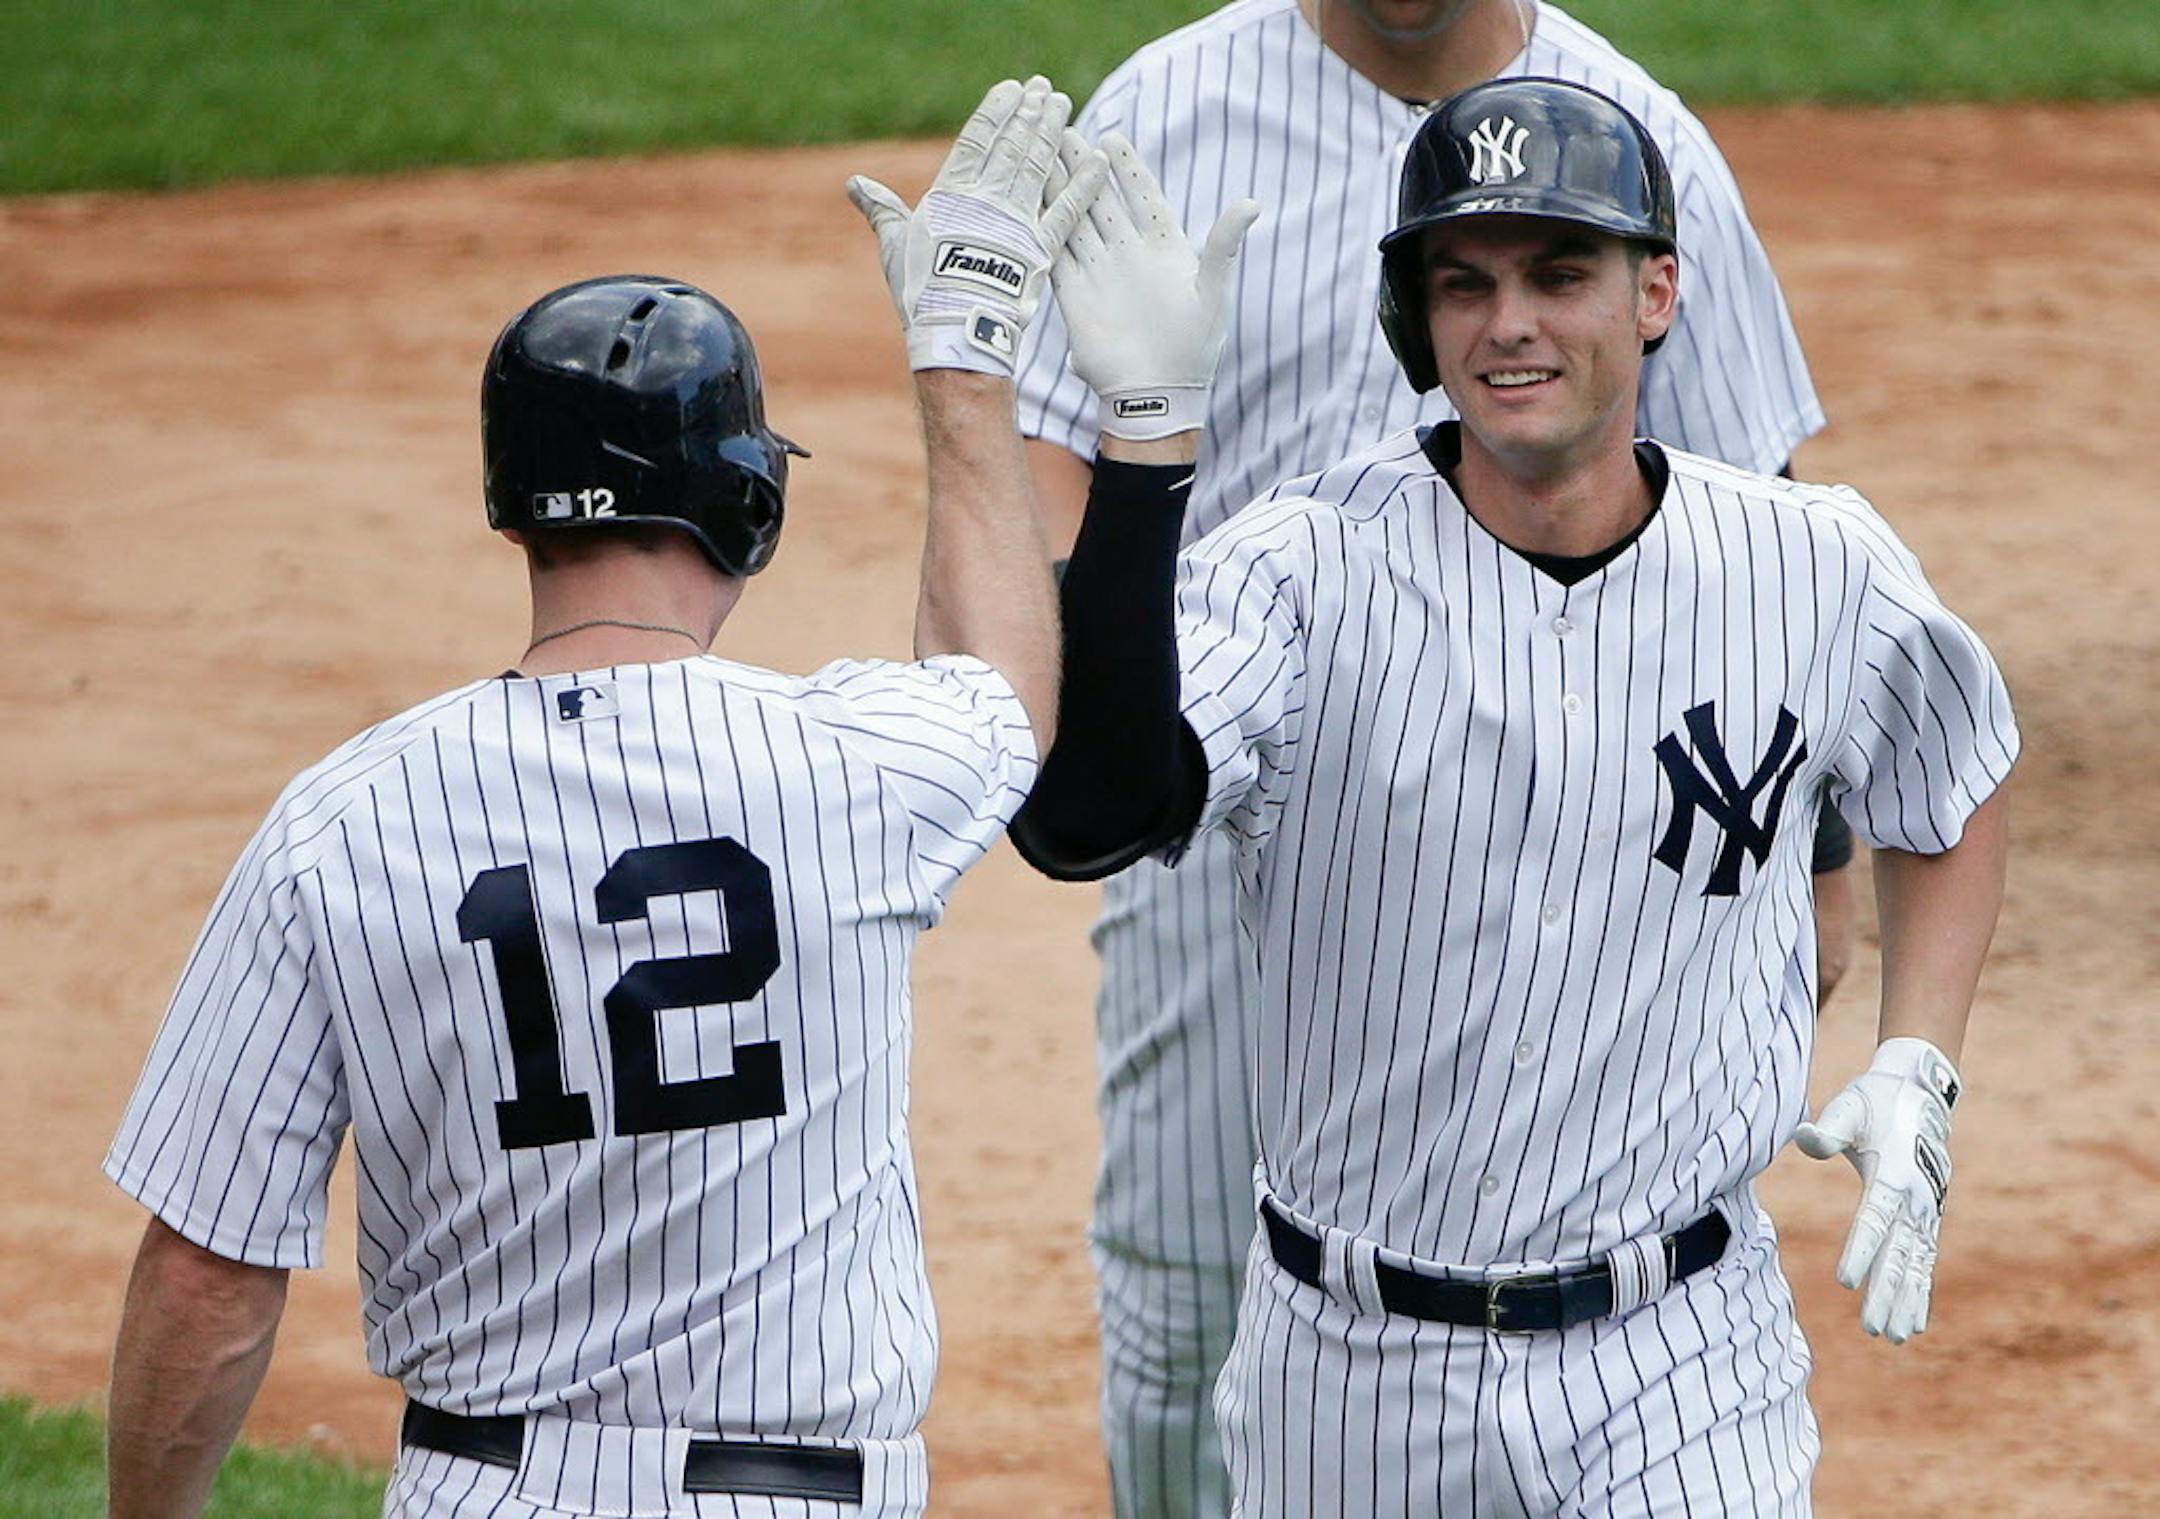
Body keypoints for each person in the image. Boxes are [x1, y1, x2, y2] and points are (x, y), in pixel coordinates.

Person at [101, 76, 1107, 1519]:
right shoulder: (854, 767)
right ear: (747, 502)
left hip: (482, 1490)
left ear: (511, 505)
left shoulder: (339, 823)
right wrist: (965, 360)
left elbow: (207, 1272)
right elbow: (1009, 674)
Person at [1017, 78, 2014, 1516]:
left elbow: (1954, 778)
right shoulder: (1293, 573)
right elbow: (1087, 818)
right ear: (1415, 320)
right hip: (1345, 1379)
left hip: (1683, 1360)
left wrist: (1920, 1058)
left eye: (1561, 274)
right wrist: (1147, 450)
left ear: (1656, 291)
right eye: (1463, 283)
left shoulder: (1817, 564)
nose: (1510, 325)